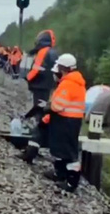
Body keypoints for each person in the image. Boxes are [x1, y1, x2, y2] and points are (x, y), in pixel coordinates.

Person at [35, 54, 86, 192]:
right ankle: (60, 174)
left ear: (63, 68)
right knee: (60, 149)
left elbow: (58, 106)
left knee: (68, 152)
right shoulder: (72, 82)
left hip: (67, 121)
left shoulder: (68, 83)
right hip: (66, 120)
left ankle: (71, 182)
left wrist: (46, 107)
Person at [26, 30, 58, 113]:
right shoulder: (54, 52)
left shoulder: (42, 52)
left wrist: (28, 78)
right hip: (49, 86)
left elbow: (35, 69)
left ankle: (39, 123)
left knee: (39, 108)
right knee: (46, 107)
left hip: (39, 86)